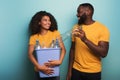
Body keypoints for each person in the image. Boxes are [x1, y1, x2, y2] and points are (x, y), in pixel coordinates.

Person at [67, 3, 110, 80]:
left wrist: (85, 40)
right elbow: (73, 49)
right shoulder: (76, 27)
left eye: (79, 12)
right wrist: (69, 71)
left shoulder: (102, 29)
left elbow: (103, 53)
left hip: (93, 72)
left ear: (88, 12)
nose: (77, 15)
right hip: (76, 70)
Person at [28, 11, 66, 80]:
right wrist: (39, 67)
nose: (48, 22)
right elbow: (30, 54)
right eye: (45, 20)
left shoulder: (55, 33)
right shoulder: (34, 37)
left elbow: (63, 49)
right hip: (39, 70)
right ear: (39, 22)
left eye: (49, 20)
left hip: (54, 70)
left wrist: (60, 61)